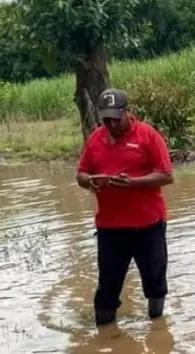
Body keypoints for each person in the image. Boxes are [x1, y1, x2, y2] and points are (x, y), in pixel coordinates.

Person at [76, 88, 175, 326]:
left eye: (115, 119)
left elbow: (166, 175)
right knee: (107, 285)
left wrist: (133, 183)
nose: (111, 124)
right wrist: (90, 181)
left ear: (127, 112)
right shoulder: (96, 139)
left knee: (154, 281)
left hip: (148, 224)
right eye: (106, 119)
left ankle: (157, 326)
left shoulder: (148, 136)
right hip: (110, 226)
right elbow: (81, 173)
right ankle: (106, 330)